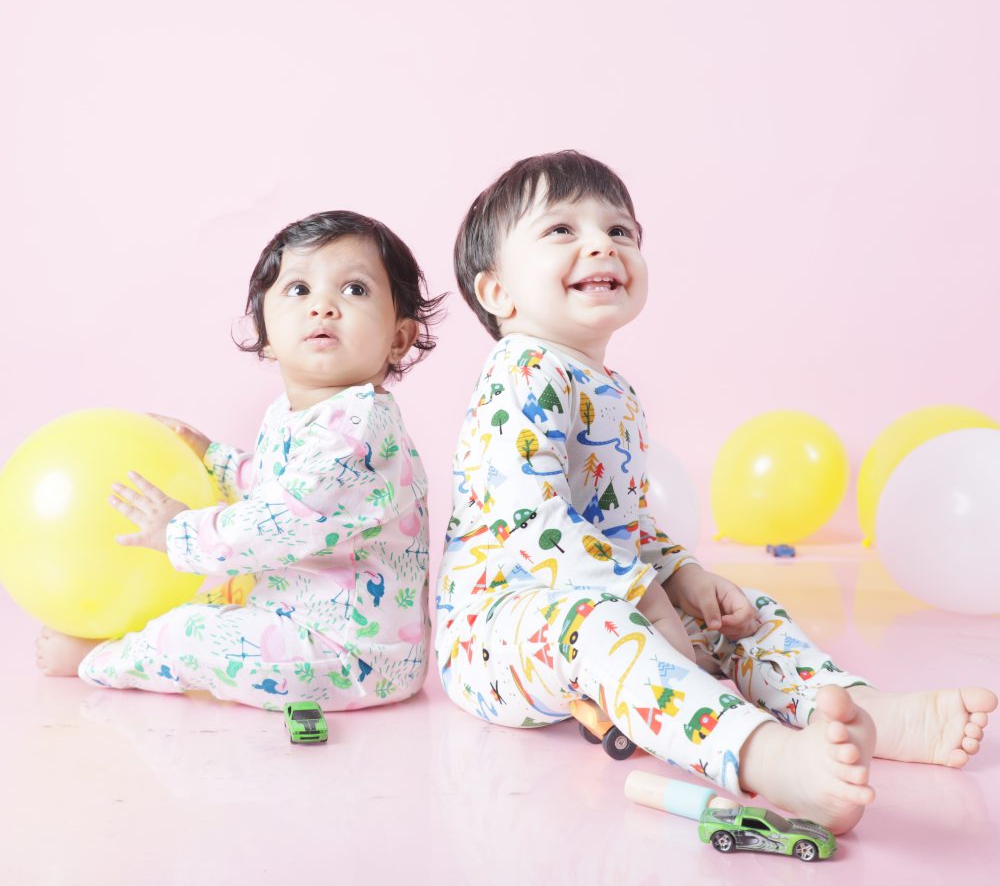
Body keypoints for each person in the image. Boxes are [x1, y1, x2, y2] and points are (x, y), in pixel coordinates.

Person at [437, 150, 996, 833]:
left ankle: (867, 709)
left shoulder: (613, 391)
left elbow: (625, 523)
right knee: (606, 629)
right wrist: (642, 595)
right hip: (499, 629)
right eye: (561, 230)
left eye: (620, 231)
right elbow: (529, 519)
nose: (599, 243)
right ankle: (769, 760)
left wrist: (688, 577)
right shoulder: (520, 373)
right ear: (498, 293)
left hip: (598, 593)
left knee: (744, 613)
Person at [37, 210, 445, 711]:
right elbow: (277, 486)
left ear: (398, 339)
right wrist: (214, 458)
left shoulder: (359, 429)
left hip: (351, 657)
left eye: (355, 290)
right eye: (299, 290)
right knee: (203, 602)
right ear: (267, 336)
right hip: (294, 611)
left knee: (193, 633)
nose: (324, 307)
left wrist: (177, 532)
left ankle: (100, 659)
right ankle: (142, 640)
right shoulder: (296, 413)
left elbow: (283, 521)